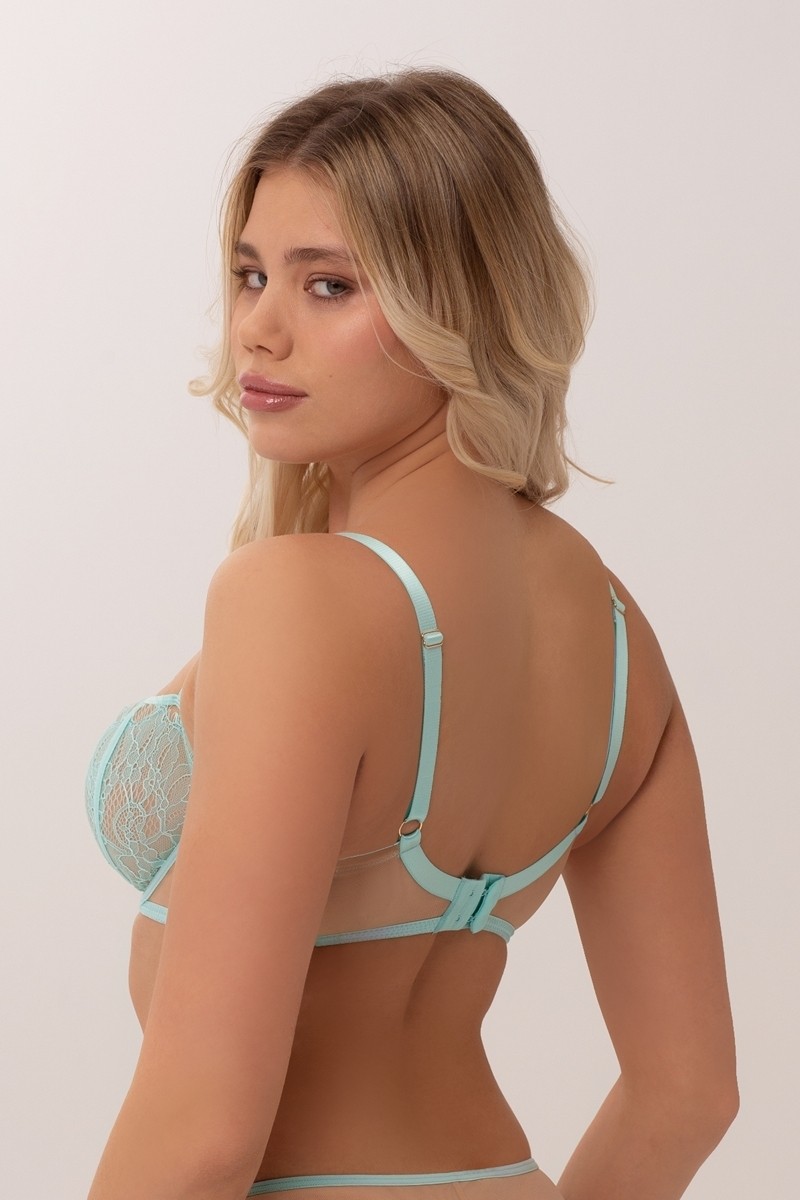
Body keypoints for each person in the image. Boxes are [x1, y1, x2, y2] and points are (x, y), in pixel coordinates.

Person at [84, 67, 738, 1200]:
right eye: (250, 274)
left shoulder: (297, 600)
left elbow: (200, 1134)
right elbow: (688, 1095)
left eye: (330, 285)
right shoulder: (617, 630)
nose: (259, 329)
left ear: (465, 306)